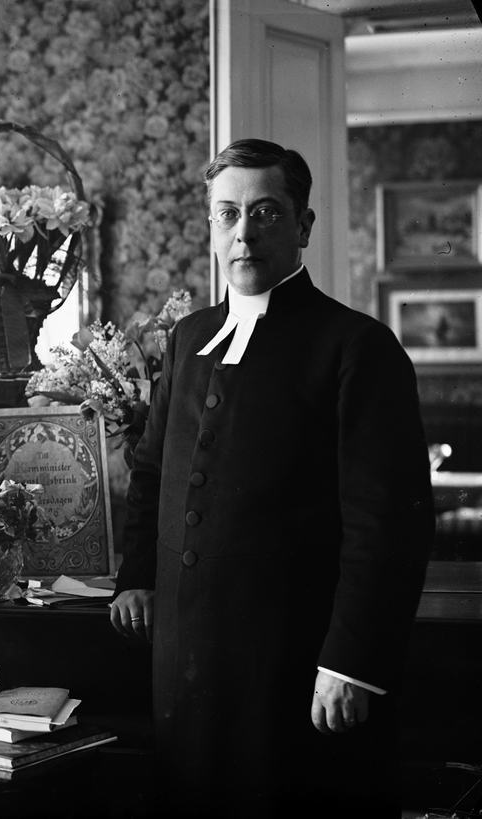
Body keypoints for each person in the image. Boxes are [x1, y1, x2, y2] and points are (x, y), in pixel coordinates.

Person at [110, 139, 434, 818]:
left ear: (303, 226)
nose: (244, 233)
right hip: (188, 667)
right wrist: (136, 575)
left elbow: (388, 525)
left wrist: (350, 663)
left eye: (266, 213)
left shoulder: (356, 347)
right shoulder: (188, 338)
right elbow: (153, 470)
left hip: (298, 670)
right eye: (227, 214)